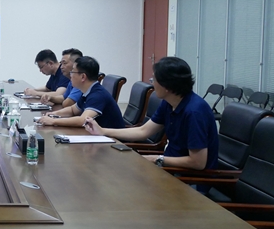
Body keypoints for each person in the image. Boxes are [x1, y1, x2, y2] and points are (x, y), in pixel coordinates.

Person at [84, 56, 218, 170]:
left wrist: (156, 159)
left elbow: (198, 162)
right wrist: (103, 131)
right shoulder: (169, 103)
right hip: (170, 168)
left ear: (167, 85)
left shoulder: (194, 112)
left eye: (154, 80)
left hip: (191, 179)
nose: (152, 84)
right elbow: (143, 131)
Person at [38, 56, 125, 129]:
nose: (70, 75)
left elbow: (83, 120)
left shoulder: (97, 95)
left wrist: (53, 121)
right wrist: (54, 114)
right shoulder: (87, 92)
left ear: (83, 77)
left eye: (72, 72)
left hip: (113, 140)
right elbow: (72, 110)